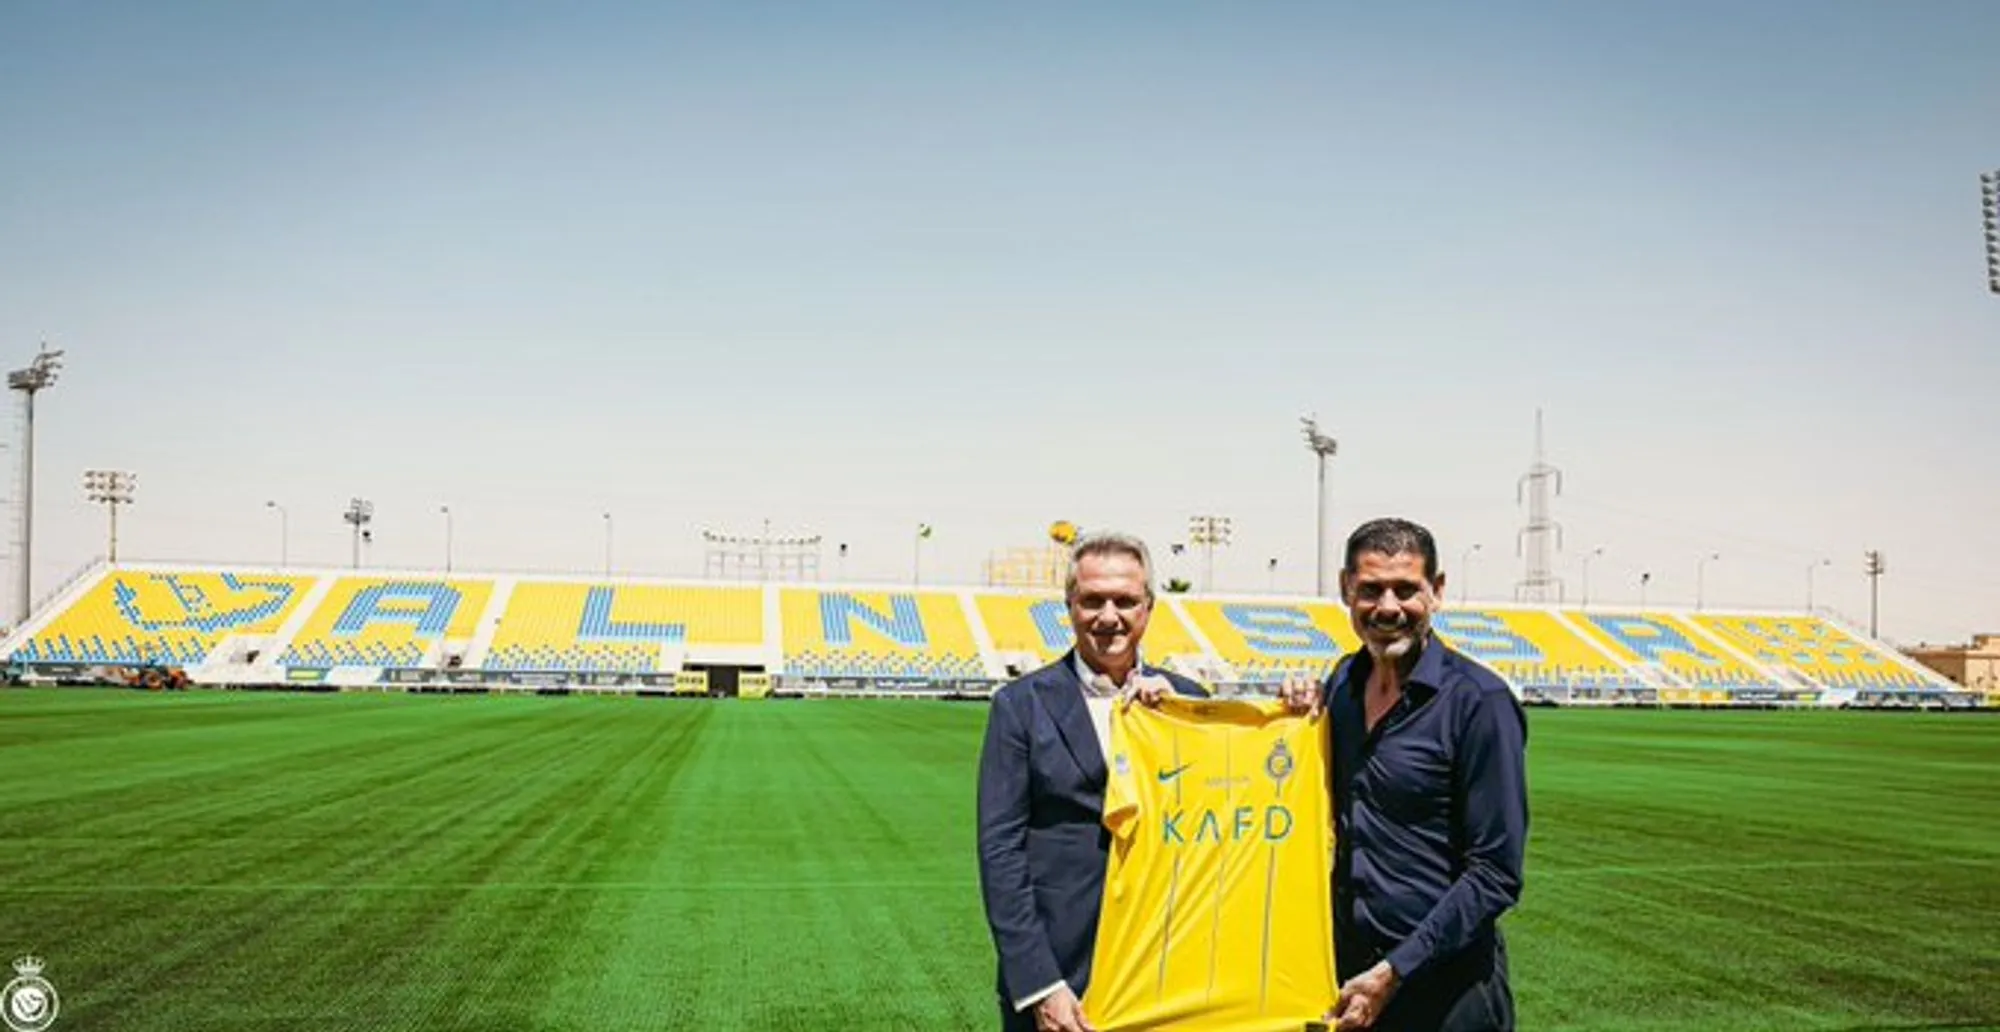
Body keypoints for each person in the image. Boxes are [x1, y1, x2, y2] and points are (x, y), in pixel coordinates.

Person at [1280, 517, 1530, 1031]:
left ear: (1436, 592)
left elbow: (1496, 873)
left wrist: (1395, 970)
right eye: (1371, 589)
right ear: (1347, 590)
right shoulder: (1342, 686)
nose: (1388, 608)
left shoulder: (1479, 703)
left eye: (1406, 590)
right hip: (1350, 983)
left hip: (1447, 989)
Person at [976, 530, 1209, 1032]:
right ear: (1069, 606)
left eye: (1125, 601)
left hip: (1165, 973)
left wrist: (1179, 722)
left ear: (1148, 606)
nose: (1109, 617)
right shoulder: (1020, 706)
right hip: (1060, 979)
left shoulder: (1189, 700)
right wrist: (1040, 983)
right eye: (1092, 601)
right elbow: (1000, 853)